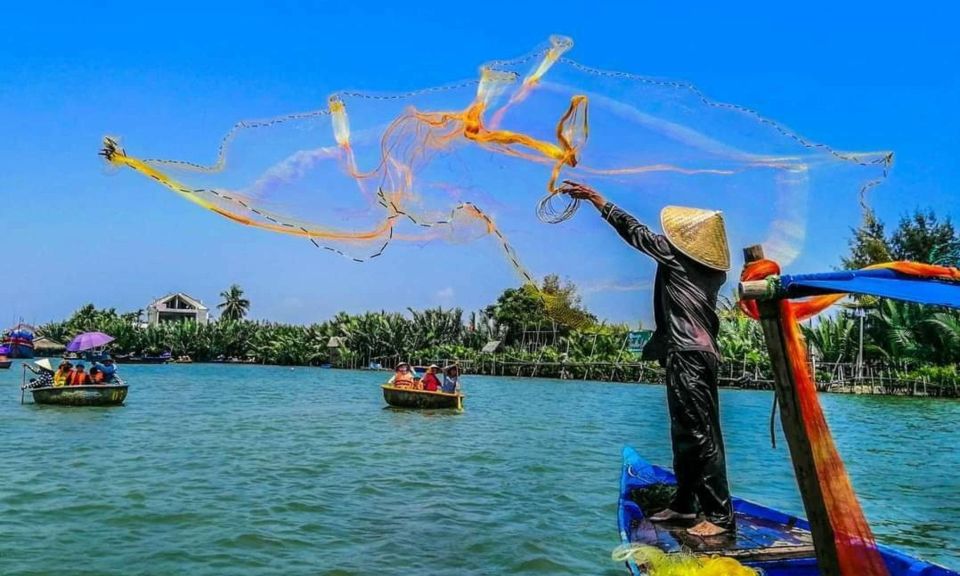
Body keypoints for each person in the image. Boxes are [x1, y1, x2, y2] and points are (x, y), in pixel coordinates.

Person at [560, 180, 734, 537]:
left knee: (699, 434)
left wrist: (597, 200)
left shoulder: (676, 257)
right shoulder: (714, 272)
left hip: (689, 354)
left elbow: (634, 231)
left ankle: (719, 517)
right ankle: (686, 505)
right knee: (686, 433)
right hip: (694, 354)